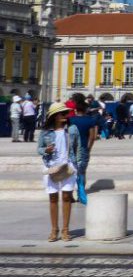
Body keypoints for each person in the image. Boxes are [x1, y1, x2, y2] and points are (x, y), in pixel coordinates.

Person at [39, 102, 79, 242]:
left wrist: (77, 165)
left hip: (68, 166)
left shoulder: (72, 129)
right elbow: (39, 149)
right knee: (53, 198)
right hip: (51, 166)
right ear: (55, 116)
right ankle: (54, 230)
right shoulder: (45, 132)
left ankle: (65, 230)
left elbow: (78, 148)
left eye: (66, 113)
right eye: (63, 113)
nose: (66, 115)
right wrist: (46, 150)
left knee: (67, 197)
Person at [66, 94, 98, 200]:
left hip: (71, 149)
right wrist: (88, 149)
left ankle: (70, 195)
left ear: (75, 109)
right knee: (82, 173)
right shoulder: (90, 120)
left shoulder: (71, 120)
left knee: (70, 172)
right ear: (85, 109)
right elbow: (92, 137)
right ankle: (81, 195)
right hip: (83, 148)